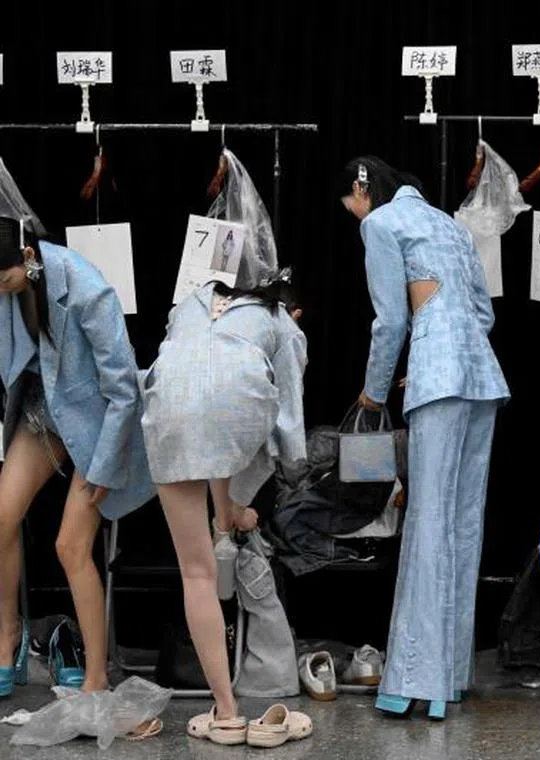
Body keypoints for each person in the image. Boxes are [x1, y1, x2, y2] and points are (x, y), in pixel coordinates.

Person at [141, 149, 309, 745]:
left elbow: (192, 390)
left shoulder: (185, 305)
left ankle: (226, 711)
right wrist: (291, 464)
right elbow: (287, 410)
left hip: (168, 413)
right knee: (245, 419)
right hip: (232, 416)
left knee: (196, 570)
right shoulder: (279, 320)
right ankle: (232, 511)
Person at [338, 155, 509, 721]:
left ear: (361, 188)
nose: (353, 213)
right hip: (480, 375)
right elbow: (482, 312)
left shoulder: (380, 223)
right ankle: (451, 675)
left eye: (350, 202)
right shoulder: (449, 224)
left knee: (429, 520)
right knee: (463, 521)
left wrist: (373, 393)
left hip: (437, 376)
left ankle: (417, 678)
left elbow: (390, 321)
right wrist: (442, 349)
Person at [0, 160, 153, 700]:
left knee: (70, 546)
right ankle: (8, 638)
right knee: (0, 516)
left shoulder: (87, 289)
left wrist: (104, 468)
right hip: (45, 412)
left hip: (98, 423)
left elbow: (124, 391)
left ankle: (95, 675)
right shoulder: (9, 284)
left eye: (4, 278)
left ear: (26, 256)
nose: (1, 288)